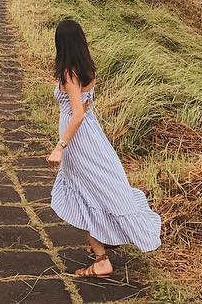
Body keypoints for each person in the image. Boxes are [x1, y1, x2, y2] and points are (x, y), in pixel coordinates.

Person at [46, 18, 161, 277]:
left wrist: (60, 146)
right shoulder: (87, 67)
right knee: (102, 186)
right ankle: (106, 239)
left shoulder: (69, 72)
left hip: (78, 140)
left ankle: (101, 259)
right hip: (92, 134)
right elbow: (85, 106)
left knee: (85, 194)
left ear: (60, 44)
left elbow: (76, 113)